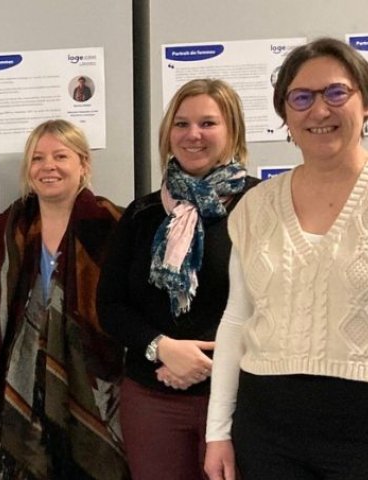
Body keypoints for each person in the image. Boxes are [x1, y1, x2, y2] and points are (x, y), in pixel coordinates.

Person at [204, 37, 368, 480]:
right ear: (286, 117)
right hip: (266, 429)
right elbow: (236, 320)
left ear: (364, 103)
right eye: (301, 98)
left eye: (337, 92)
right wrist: (217, 432)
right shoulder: (256, 207)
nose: (320, 110)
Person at [97, 79, 258, 480]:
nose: (193, 135)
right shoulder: (143, 214)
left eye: (208, 123)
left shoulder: (261, 205)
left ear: (232, 130)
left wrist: (206, 362)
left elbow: (278, 301)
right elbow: (111, 305)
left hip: (242, 396)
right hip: (152, 397)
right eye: (181, 124)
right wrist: (161, 347)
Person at [0, 119, 127, 479]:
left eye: (61, 156)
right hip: (22, 387)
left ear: (83, 164)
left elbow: (132, 307)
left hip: (96, 392)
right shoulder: (8, 228)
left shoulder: (113, 225)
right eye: (38, 158)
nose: (48, 166)